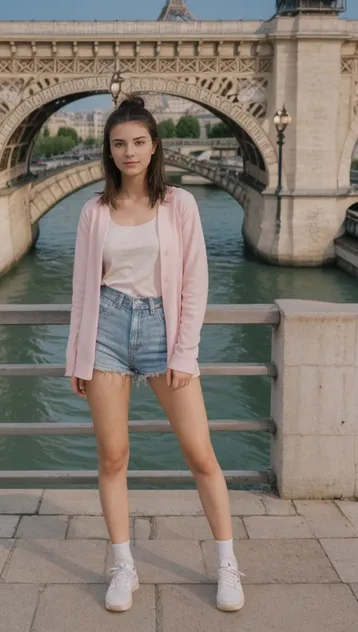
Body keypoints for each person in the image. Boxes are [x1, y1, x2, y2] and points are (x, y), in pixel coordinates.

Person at [65, 95, 244, 613]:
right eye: (119, 143)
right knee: (113, 456)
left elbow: (195, 283)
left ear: (154, 145)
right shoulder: (93, 211)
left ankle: (227, 562)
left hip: (164, 331)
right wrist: (77, 355)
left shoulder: (180, 205)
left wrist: (185, 353)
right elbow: (82, 291)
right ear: (108, 149)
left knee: (200, 455)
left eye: (138, 142)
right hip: (106, 330)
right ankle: (124, 565)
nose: (129, 152)